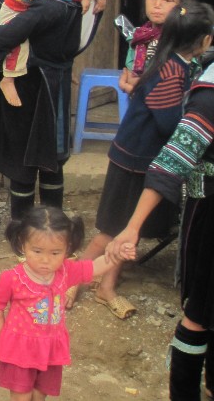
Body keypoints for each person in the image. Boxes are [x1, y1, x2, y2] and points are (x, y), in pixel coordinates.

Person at [72, 2, 213, 319]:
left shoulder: (174, 62)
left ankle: (104, 284)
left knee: (123, 228)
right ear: (205, 41)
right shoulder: (171, 72)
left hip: (139, 158)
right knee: (114, 229)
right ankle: (76, 278)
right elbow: (167, 124)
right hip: (134, 161)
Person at [0, 0, 123, 221]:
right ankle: (23, 230)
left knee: (54, 160)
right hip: (29, 88)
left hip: (53, 85)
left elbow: (68, 43)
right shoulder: (55, 5)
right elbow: (2, 38)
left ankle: (53, 228)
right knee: (25, 164)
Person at [106, 50, 214, 400]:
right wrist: (133, 226)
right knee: (200, 312)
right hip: (210, 218)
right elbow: (172, 161)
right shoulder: (209, 96)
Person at [0, 206, 133, 401]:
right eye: (37, 251)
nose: (45, 260)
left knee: (40, 394)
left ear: (67, 249)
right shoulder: (12, 278)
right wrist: (2, 334)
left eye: (55, 253)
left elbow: (95, 267)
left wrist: (116, 255)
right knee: (22, 396)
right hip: (20, 349)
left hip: (50, 349)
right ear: (22, 244)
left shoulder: (66, 271)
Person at [118, 0, 191, 94]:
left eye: (167, 0)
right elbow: (131, 75)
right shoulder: (137, 36)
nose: (157, 5)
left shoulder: (184, 39)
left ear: (182, 7)